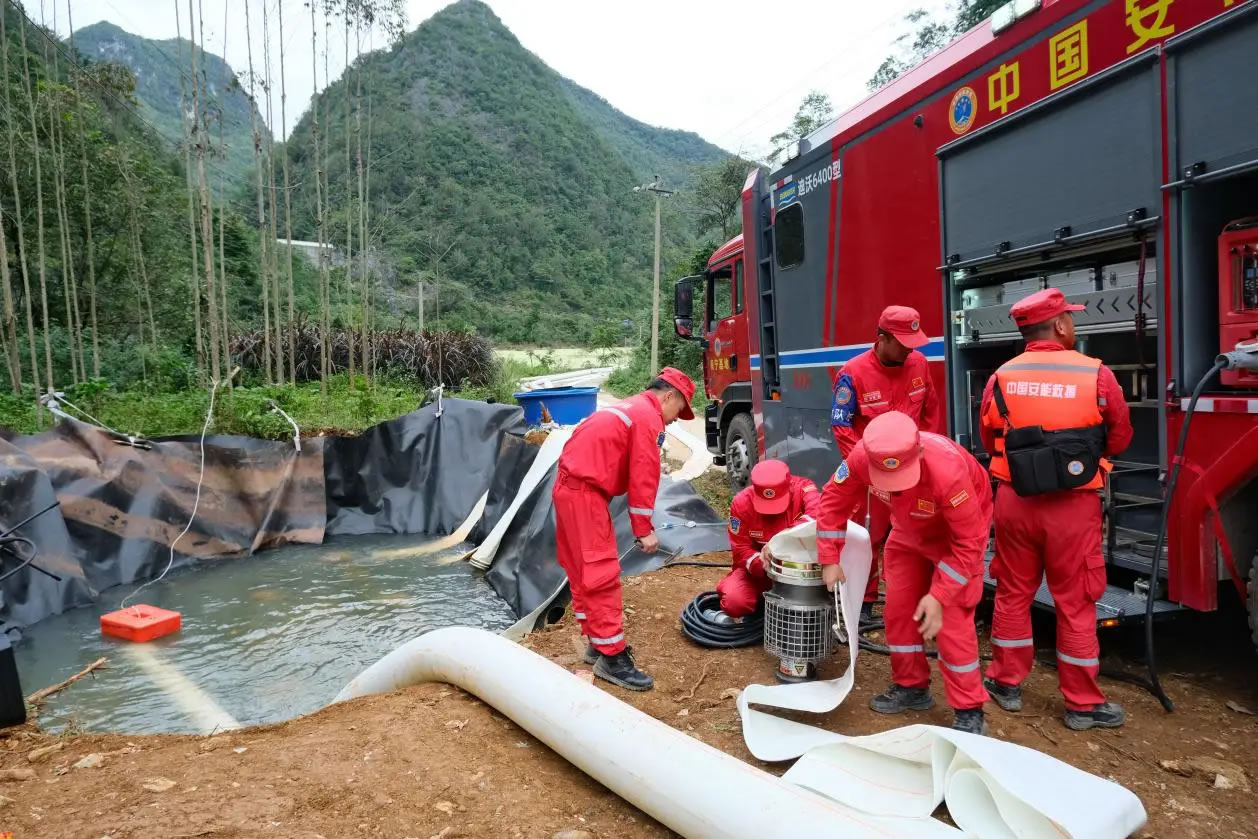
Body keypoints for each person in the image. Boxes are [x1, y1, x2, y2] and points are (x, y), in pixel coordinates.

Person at [978, 288, 1133, 731]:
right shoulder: (1096, 374)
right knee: (1076, 601)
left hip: (1016, 500)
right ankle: (1081, 704)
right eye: (1071, 318)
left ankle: (1005, 682)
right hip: (1073, 505)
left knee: (1013, 592)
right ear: (1061, 325)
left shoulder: (1001, 377)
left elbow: (989, 439)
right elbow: (1120, 436)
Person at [817, 411, 992, 734]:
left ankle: (969, 709)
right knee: (899, 611)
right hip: (907, 532)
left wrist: (939, 595)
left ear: (919, 454)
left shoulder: (949, 473)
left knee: (952, 621)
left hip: (954, 540)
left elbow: (969, 543)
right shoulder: (860, 458)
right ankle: (911, 687)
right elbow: (833, 499)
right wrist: (829, 558)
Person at [553, 367, 696, 692]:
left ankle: (597, 642)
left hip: (569, 488)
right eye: (679, 409)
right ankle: (613, 659)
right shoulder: (648, 418)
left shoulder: (630, 407)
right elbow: (644, 475)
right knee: (600, 573)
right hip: (585, 495)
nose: (676, 418)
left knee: (582, 569)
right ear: (668, 396)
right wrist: (643, 529)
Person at [830, 305, 941, 625]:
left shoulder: (919, 363)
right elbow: (842, 426)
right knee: (870, 537)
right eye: (904, 343)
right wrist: (865, 471)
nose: (910, 350)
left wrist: (926, 459)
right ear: (882, 338)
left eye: (914, 343)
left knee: (918, 532)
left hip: (913, 471)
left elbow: (930, 411)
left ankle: (920, 599)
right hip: (874, 475)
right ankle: (864, 602)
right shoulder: (853, 373)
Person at [715, 459, 820, 621]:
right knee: (735, 601)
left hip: (801, 572)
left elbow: (819, 515)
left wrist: (779, 541)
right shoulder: (741, 502)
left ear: (789, 485)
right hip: (761, 572)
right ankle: (761, 604)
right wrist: (762, 563)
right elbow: (740, 549)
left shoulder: (804, 489)